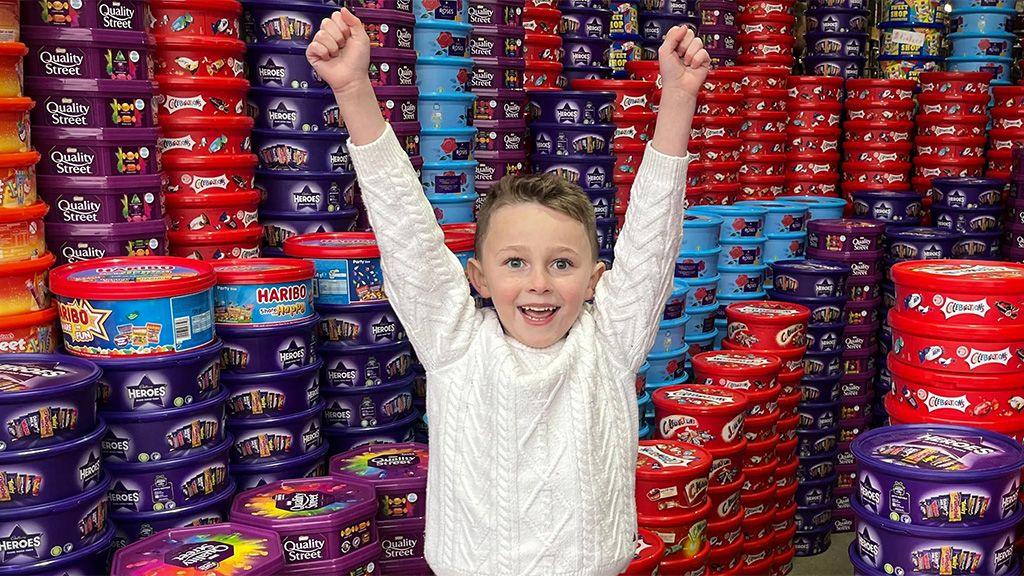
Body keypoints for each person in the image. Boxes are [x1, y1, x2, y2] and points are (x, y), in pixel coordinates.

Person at [307, 13, 708, 575]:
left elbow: (650, 240)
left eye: (562, 264)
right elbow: (407, 232)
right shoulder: (454, 343)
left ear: (596, 281)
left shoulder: (610, 343)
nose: (539, 283)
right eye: (515, 262)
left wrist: (677, 101)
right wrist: (352, 90)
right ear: (478, 278)